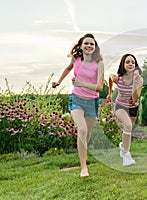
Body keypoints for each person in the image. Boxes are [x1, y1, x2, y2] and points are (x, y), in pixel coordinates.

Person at [52, 33, 104, 178]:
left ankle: (83, 155)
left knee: (86, 134)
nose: (89, 46)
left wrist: (82, 83)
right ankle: (83, 167)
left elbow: (100, 87)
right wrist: (59, 81)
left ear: (95, 47)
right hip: (77, 100)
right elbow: (68, 68)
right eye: (86, 43)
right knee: (81, 130)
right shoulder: (77, 59)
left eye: (92, 44)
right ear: (81, 45)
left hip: (92, 101)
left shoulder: (99, 64)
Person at [106, 54, 143, 166]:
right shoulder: (119, 78)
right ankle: (126, 156)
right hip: (120, 106)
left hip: (133, 107)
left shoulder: (140, 80)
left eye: (133, 62)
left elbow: (135, 98)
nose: (130, 64)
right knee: (128, 126)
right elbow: (110, 77)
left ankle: (123, 146)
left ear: (135, 65)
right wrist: (110, 93)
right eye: (127, 62)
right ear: (123, 65)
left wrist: (135, 80)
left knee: (128, 130)